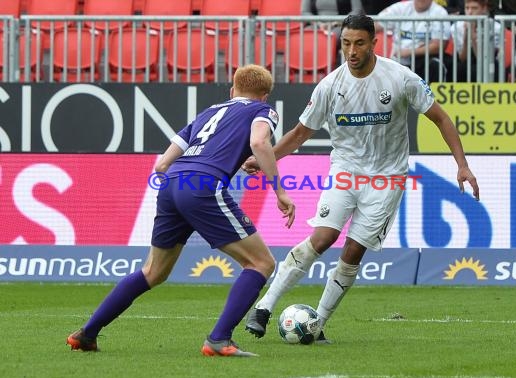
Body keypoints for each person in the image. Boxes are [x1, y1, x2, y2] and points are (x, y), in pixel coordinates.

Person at [243, 14, 479, 342]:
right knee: (322, 239)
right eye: (345, 43)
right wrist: (265, 157)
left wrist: (462, 165)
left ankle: (317, 323)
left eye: (359, 43)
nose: (351, 51)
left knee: (353, 251)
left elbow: (440, 118)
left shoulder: (400, 78)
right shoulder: (330, 86)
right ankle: (264, 308)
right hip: (345, 172)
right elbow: (299, 134)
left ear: (373, 43)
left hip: (388, 178)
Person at [66, 65, 296, 357]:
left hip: (172, 182)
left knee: (153, 271)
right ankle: (219, 340)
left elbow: (162, 163)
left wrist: (225, 161)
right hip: (202, 187)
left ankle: (87, 333)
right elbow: (259, 142)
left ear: (232, 90)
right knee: (261, 263)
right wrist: (279, 191)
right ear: (264, 97)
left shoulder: (209, 111)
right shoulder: (264, 111)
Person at [375, 0, 451, 83]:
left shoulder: (440, 12)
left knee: (436, 65)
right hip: (398, 62)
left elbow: (438, 46)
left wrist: (409, 52)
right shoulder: (400, 8)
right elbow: (374, 25)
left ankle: (432, 96)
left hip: (423, 62)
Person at [444, 0, 502, 82]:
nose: (470, 12)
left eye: (474, 8)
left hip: (487, 61)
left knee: (489, 68)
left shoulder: (495, 28)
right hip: (467, 60)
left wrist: (473, 36)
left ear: (484, 9)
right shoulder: (457, 27)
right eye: (467, 8)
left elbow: (483, 58)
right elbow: (462, 58)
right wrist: (466, 36)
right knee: (458, 67)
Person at [301, 0, 365, 66]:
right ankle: (307, 68)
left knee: (332, 37)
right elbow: (305, 12)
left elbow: (357, 10)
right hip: (317, 25)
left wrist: (336, 22)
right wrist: (319, 24)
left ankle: (331, 68)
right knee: (304, 36)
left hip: (341, 24)